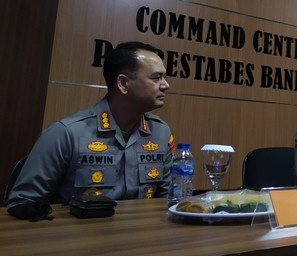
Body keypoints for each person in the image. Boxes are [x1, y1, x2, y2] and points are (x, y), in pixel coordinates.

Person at [7, 41, 176, 216]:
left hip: (142, 238)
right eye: (156, 77)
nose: (165, 85)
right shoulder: (66, 133)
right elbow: (22, 203)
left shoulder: (160, 132)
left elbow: (167, 200)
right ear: (123, 84)